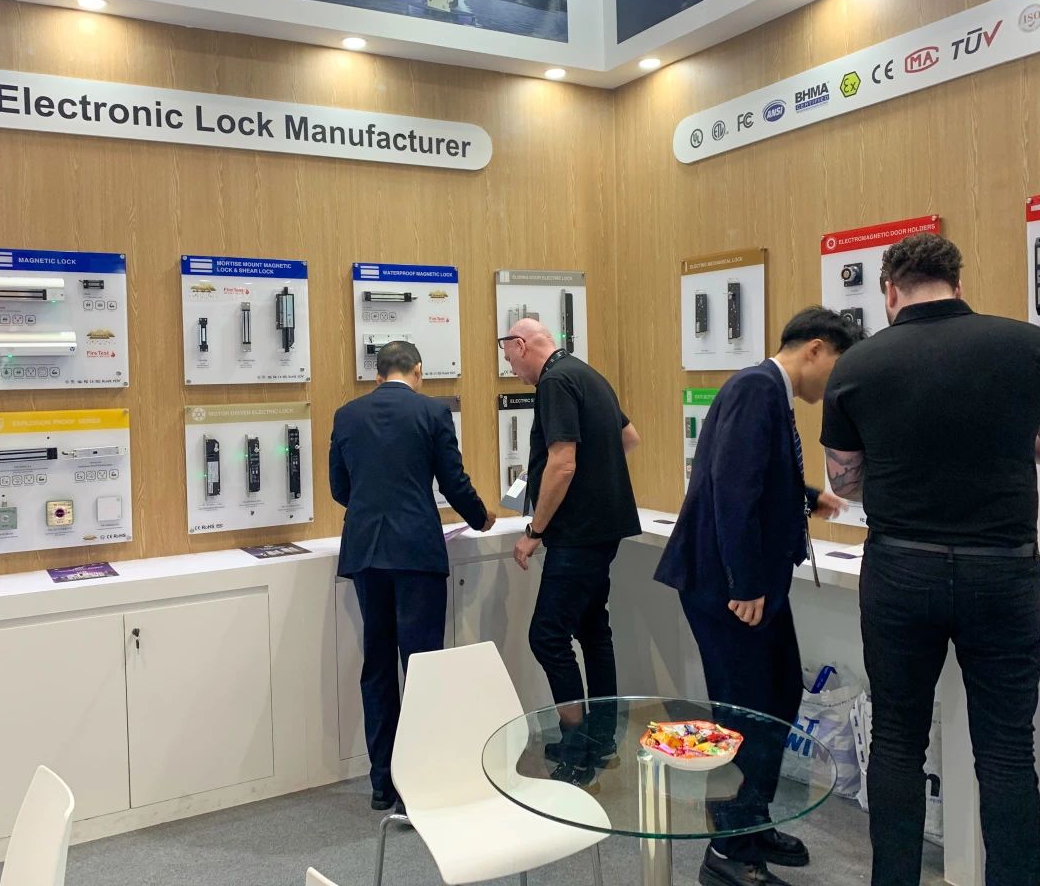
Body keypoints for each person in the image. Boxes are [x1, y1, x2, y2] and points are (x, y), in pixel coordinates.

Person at [821, 233, 1040, 886]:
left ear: (890, 291)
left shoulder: (858, 364)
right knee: (1006, 751)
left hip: (899, 569)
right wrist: (1006, 444)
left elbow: (845, 480)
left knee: (896, 742)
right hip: (1002, 570)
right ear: (959, 284)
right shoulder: (1028, 345)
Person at [654, 307, 863, 886]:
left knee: (777, 698)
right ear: (815, 349)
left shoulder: (768, 391)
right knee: (743, 714)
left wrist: (807, 496)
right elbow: (732, 490)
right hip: (728, 586)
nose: (836, 385)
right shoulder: (756, 389)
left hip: (750, 582)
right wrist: (745, 584)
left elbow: (757, 476)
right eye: (838, 366)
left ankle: (752, 822)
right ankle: (728, 850)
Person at [329, 340, 495, 812]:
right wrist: (480, 516)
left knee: (378, 666)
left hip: (366, 552)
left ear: (377, 374)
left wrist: (373, 507)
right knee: (422, 669)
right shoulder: (432, 412)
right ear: (418, 371)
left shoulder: (347, 415)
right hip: (416, 551)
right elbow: (452, 480)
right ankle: (420, 781)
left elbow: (340, 488)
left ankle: (383, 782)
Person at [500, 319, 641, 777]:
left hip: (576, 534)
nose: (511, 368)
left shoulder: (554, 382)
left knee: (547, 636)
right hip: (605, 528)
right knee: (593, 631)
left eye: (509, 357)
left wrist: (535, 531)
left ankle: (577, 745)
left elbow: (562, 464)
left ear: (521, 344)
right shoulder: (587, 374)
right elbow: (629, 438)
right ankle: (602, 739)